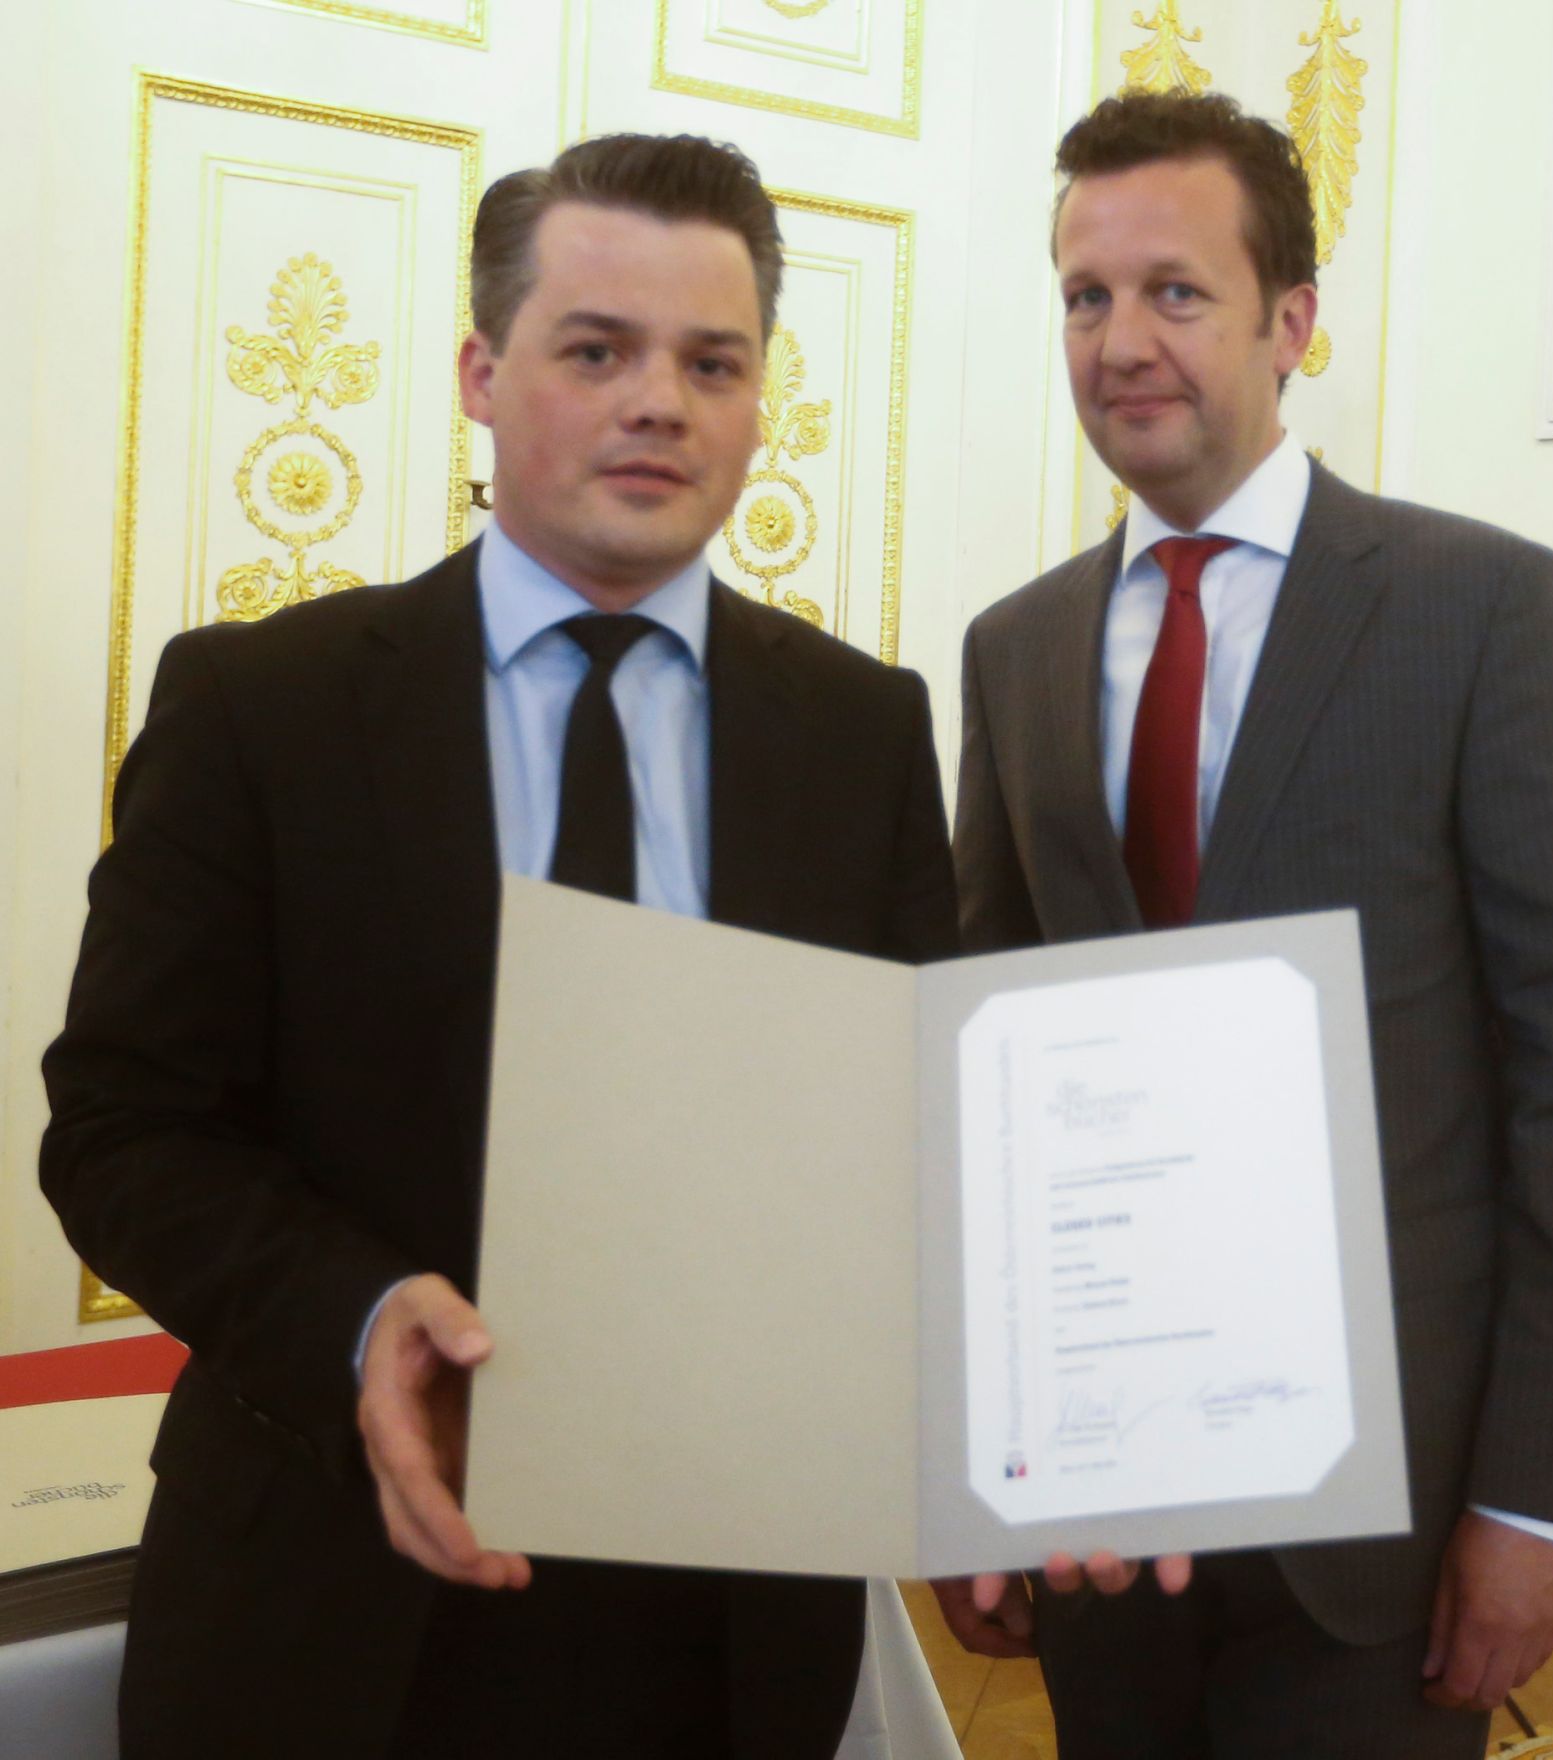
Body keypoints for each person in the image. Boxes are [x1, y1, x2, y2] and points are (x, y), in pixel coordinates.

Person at [41, 131, 955, 1760]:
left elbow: (905, 1139)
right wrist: (362, 1311)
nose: (657, 399)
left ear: (759, 401)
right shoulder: (266, 709)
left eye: (711, 360)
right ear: (481, 370)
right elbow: (124, 1132)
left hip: (731, 1618)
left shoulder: (864, 732)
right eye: (596, 348)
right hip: (332, 1594)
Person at [937, 90, 1553, 1760]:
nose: (1121, 341)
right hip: (1103, 1507)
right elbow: (980, 1086)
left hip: (1386, 1519)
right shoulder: (1016, 649)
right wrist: (970, 1456)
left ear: (1294, 321)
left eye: (1175, 291)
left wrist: (1538, 1504)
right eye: (1084, 296)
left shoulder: (1481, 607)